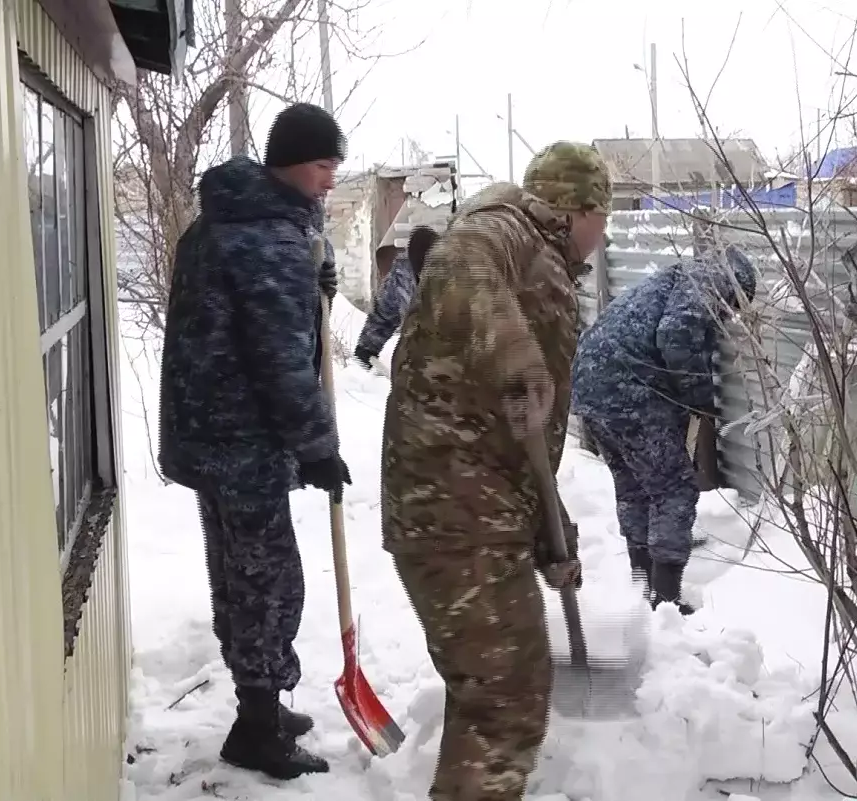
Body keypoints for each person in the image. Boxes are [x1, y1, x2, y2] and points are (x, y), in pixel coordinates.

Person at [381, 142, 612, 800]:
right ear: (574, 210)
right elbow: (455, 260)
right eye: (603, 216)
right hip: (456, 508)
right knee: (506, 695)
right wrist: (513, 349)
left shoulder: (541, 260)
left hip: (472, 506)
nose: (604, 234)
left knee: (489, 688)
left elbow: (522, 440)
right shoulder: (507, 229)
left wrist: (550, 530)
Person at [157, 102, 353, 780]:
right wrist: (318, 446)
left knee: (238, 574)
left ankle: (259, 702)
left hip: (207, 434)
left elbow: (244, 311)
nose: (331, 179)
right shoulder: (266, 240)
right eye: (324, 165)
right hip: (245, 439)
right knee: (270, 581)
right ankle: (257, 726)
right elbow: (279, 358)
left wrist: (312, 281)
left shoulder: (220, 224)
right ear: (292, 163)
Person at [570, 245, 756, 614]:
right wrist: (700, 398)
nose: (729, 313)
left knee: (635, 486)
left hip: (590, 384)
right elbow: (675, 335)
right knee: (674, 490)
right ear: (733, 285)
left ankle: (643, 585)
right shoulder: (705, 280)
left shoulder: (674, 277)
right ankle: (666, 600)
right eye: (734, 304)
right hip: (625, 389)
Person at [353, 225, 439, 370]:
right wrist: (366, 348)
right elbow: (384, 313)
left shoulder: (460, 273)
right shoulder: (402, 271)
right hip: (415, 363)